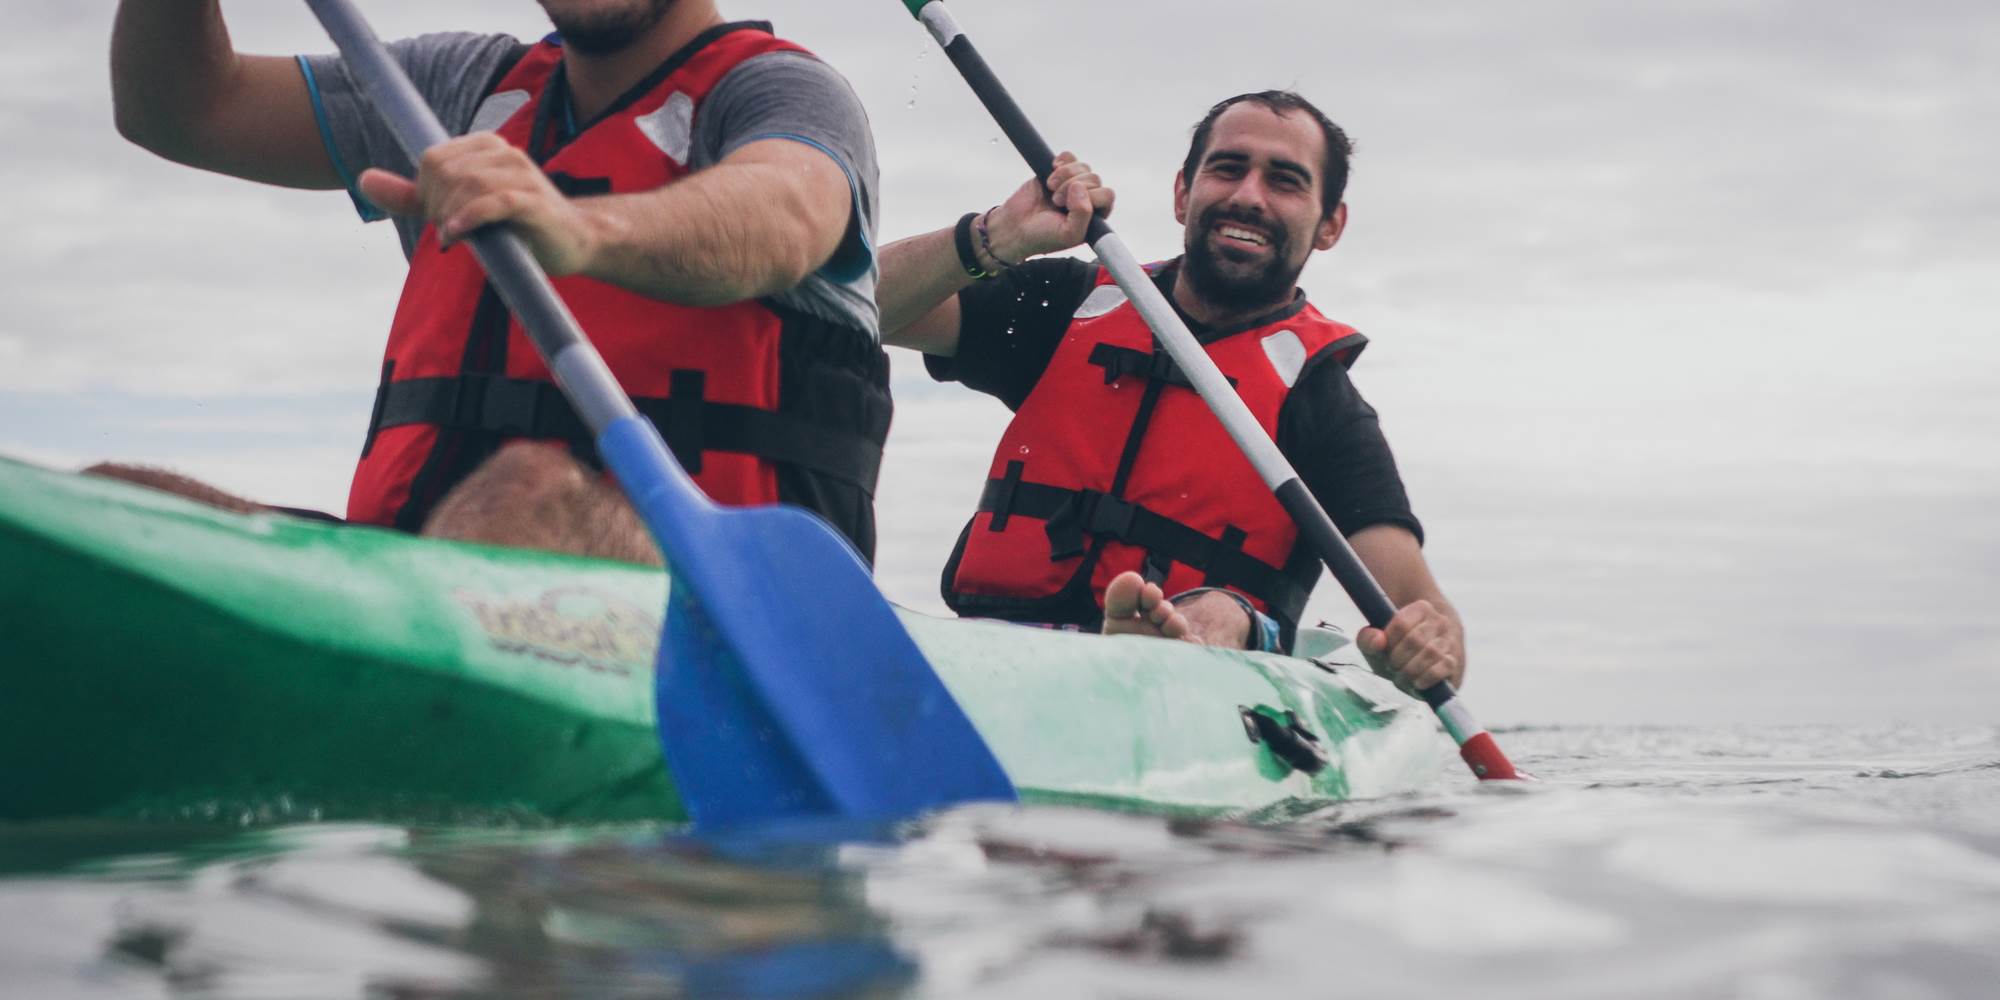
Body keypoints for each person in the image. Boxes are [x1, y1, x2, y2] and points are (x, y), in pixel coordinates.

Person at [102, 0, 891, 564]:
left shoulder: (781, 92)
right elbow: (182, 109)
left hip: (730, 580)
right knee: (122, 510)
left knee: (524, 493)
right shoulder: (453, 92)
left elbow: (787, 215)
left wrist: (581, 227)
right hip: (418, 573)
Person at [876, 91, 1466, 693]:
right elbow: (852, 306)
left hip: (1210, 689)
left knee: (1222, 611)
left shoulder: (1321, 404)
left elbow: (1426, 617)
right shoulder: (1065, 306)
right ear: (1183, 193)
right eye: (1228, 168)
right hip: (1006, 649)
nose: (1247, 196)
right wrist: (994, 237)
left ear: (1330, 225)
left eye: (1285, 181)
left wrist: (1424, 648)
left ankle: (1183, 637)